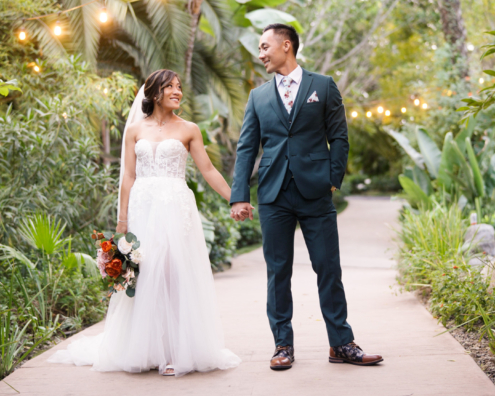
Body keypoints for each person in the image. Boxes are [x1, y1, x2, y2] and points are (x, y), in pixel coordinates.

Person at [48, 69, 241, 377]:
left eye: (179, 87)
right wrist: (122, 219)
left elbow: (208, 170)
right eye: (170, 87)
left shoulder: (190, 129)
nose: (177, 92)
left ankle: (176, 351)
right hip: (142, 206)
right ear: (154, 93)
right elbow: (128, 175)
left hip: (176, 207)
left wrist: (235, 199)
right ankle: (148, 348)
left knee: (174, 273)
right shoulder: (135, 130)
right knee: (144, 275)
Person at [230, 24, 383, 370]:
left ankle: (341, 344)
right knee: (278, 272)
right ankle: (282, 345)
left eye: (265, 46)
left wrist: (332, 178)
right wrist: (239, 195)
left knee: (328, 267)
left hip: (315, 193)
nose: (261, 53)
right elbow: (246, 149)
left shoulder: (323, 86)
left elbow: (339, 137)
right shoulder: (258, 97)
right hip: (273, 193)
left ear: (287, 45)